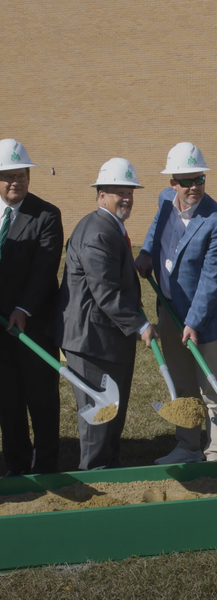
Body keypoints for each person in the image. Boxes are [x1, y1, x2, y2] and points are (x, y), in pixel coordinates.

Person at [135, 143, 217, 464]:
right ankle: (188, 446)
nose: (194, 187)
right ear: (172, 183)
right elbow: (156, 228)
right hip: (168, 309)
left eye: (199, 179)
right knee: (182, 383)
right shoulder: (165, 201)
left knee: (209, 385)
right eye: (186, 181)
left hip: (203, 318)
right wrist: (148, 252)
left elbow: (212, 279)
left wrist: (193, 321)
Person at [56, 158, 158, 470]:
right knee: (98, 418)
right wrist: (140, 324)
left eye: (129, 191)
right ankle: (96, 477)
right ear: (101, 195)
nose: (126, 197)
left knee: (113, 413)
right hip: (91, 342)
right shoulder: (98, 232)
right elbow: (105, 291)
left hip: (109, 339)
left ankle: (111, 471)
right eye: (118, 191)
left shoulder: (111, 227)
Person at [0, 139, 63, 476]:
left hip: (33, 325)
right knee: (7, 399)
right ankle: (15, 463)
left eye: (21, 175)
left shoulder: (46, 215)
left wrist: (22, 309)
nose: (15, 182)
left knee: (41, 398)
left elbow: (43, 270)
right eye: (8, 176)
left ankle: (46, 465)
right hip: (0, 329)